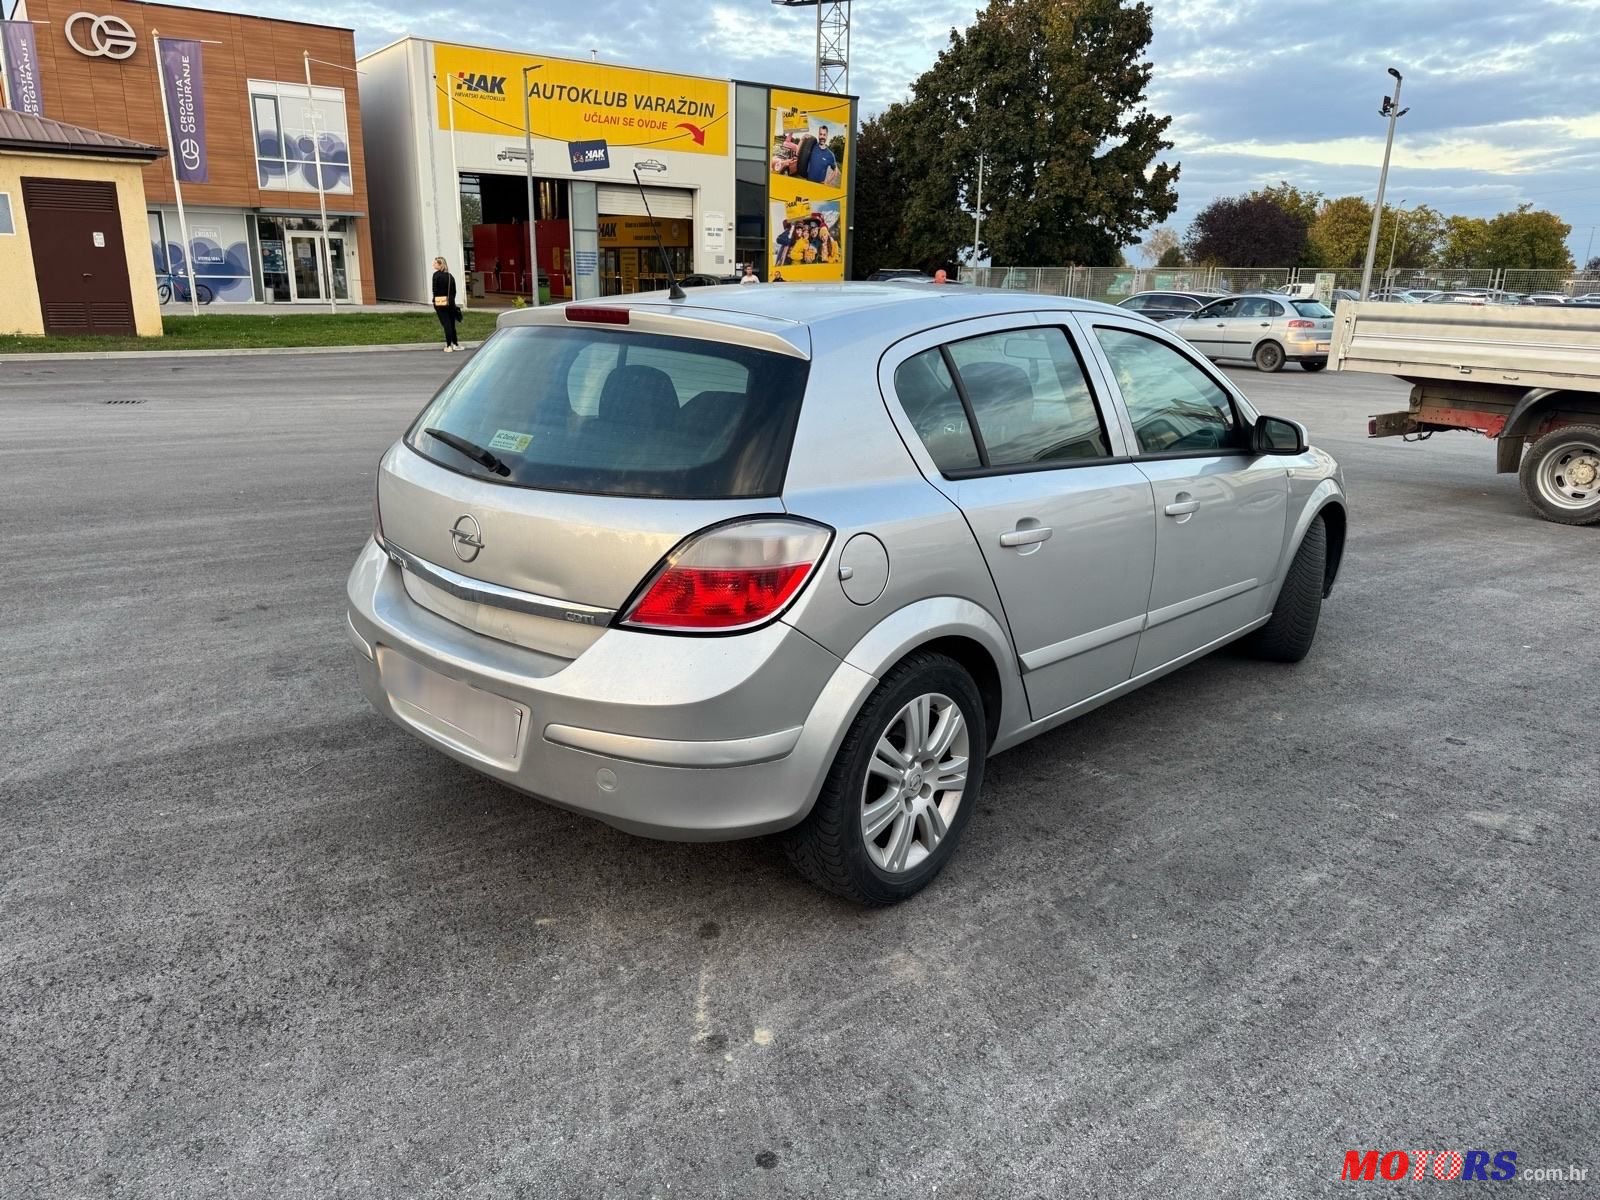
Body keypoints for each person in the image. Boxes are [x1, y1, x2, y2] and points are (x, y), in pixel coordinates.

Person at [431, 256, 461, 351]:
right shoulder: (450, 276)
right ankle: (455, 344)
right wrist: (451, 300)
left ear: (440, 265)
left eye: (435, 263)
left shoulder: (436, 275)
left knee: (446, 324)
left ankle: (448, 346)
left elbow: (435, 290)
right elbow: (454, 291)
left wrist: (435, 301)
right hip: (450, 302)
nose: (433, 264)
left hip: (440, 302)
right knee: (452, 324)